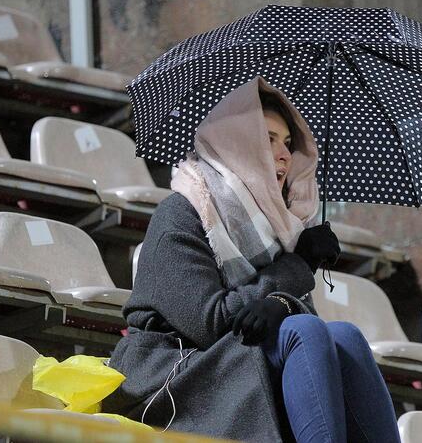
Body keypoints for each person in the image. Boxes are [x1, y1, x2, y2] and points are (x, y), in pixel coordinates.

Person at [104, 76, 401, 443]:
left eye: (289, 143)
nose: (284, 155)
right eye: (269, 139)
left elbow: (283, 314)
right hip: (172, 374)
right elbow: (209, 323)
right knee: (305, 330)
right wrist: (297, 267)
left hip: (239, 363)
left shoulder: (281, 227)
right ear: (236, 144)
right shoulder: (180, 213)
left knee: (345, 337)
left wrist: (291, 275)